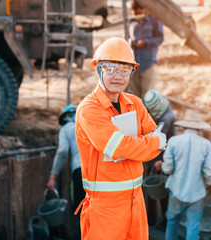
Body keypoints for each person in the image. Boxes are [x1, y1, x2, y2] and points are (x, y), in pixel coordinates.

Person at [74, 37, 167, 240]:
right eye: (111, 69)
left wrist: (144, 146)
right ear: (98, 68)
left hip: (136, 201)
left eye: (125, 70)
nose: (119, 76)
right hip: (105, 209)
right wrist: (152, 142)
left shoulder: (134, 103)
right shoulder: (89, 109)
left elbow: (153, 150)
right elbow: (116, 146)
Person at [158, 117, 211, 240]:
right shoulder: (206, 144)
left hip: (176, 190)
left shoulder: (173, 141)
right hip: (196, 193)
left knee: (172, 222)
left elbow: (167, 169)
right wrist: (210, 184)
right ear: (199, 129)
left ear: (183, 127)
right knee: (193, 226)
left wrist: (161, 165)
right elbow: (209, 173)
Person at [46, 104, 85, 240]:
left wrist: (53, 176)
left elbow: (62, 151)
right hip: (99, 172)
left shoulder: (65, 129)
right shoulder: (88, 123)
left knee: (80, 211)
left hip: (81, 172)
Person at [142, 89, 176, 228]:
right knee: (151, 189)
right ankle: (151, 220)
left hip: (161, 156)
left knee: (161, 189)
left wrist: (157, 161)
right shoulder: (160, 106)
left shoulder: (167, 118)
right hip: (153, 153)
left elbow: (158, 140)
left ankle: (164, 221)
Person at [128, 0, 164, 98]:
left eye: (139, 12)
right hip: (133, 63)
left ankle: (145, 113)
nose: (137, 14)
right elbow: (127, 36)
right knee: (135, 95)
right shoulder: (132, 21)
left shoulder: (154, 21)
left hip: (147, 61)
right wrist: (130, 42)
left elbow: (160, 38)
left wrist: (146, 42)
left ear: (143, 9)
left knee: (147, 95)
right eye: (135, 13)